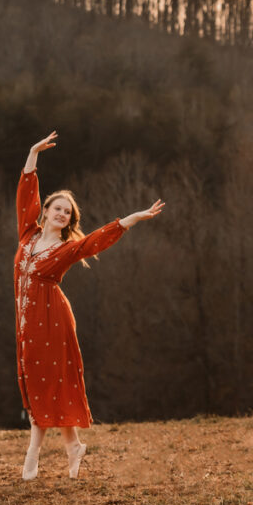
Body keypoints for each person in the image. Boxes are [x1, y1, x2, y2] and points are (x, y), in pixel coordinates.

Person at [15, 131, 164, 480]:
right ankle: (73, 448)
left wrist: (132, 219)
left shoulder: (67, 249)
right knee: (45, 383)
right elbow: (25, 194)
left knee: (50, 381)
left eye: (68, 212)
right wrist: (33, 153)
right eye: (57, 209)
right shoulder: (28, 235)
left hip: (52, 319)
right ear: (46, 210)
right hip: (25, 322)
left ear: (70, 219)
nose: (62, 214)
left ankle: (33, 453)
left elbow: (96, 240)